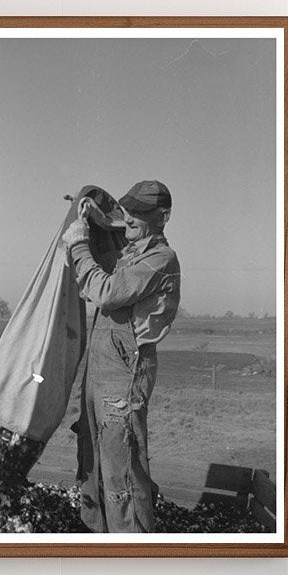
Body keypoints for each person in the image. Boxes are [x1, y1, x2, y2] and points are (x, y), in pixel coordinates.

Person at [62, 180, 181, 533]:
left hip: (125, 373)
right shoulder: (131, 251)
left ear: (163, 217)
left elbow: (108, 291)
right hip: (101, 366)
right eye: (128, 209)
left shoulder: (160, 259)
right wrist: (97, 216)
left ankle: (133, 549)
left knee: (122, 469)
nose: (129, 218)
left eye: (139, 214)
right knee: (94, 452)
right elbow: (118, 232)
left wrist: (79, 244)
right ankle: (97, 537)